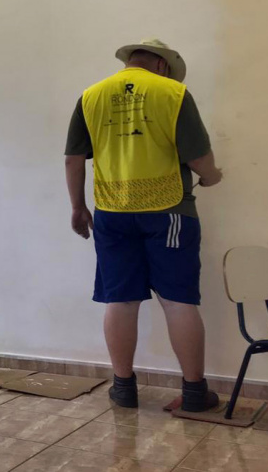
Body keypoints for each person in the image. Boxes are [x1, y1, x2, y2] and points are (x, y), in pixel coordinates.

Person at [64, 38, 223, 412]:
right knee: (177, 299)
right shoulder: (173, 93)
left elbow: (73, 160)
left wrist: (77, 207)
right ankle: (195, 393)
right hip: (168, 210)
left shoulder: (91, 96)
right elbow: (199, 158)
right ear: (163, 66)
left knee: (120, 298)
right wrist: (214, 177)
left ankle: (123, 388)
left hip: (111, 210)